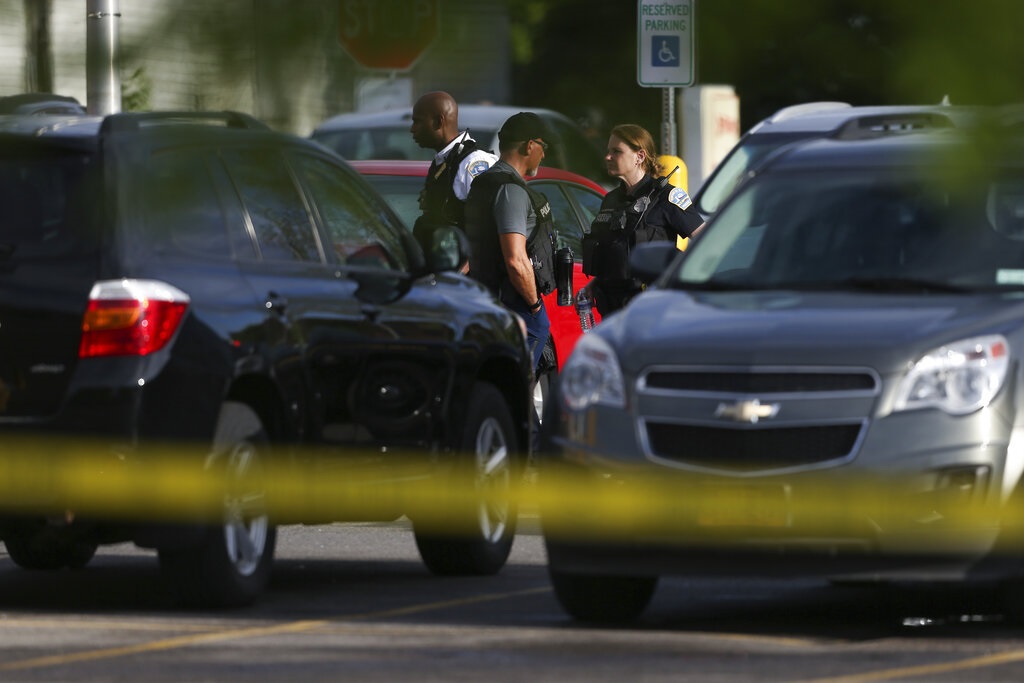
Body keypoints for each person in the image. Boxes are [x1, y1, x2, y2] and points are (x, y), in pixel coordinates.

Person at [463, 111, 558, 371]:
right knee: (515, 383)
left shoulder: (482, 184)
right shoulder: (511, 190)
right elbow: (516, 260)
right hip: (513, 306)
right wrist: (535, 308)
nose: (544, 154)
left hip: (485, 300)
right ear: (530, 145)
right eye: (543, 147)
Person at [580, 124, 706, 316]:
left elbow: (706, 240)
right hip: (610, 306)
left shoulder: (666, 197)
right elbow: (613, 250)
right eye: (608, 151)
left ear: (639, 156)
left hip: (650, 308)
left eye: (616, 151)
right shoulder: (611, 199)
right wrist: (594, 283)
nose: (608, 157)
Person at [409, 91, 497, 255]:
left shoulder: (473, 164)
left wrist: (461, 272)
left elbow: (491, 232)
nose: (412, 129)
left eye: (417, 122)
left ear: (438, 121)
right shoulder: (445, 161)